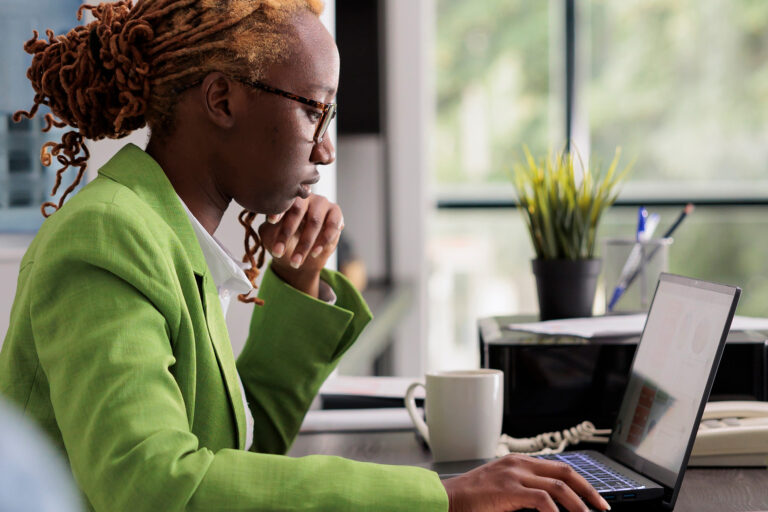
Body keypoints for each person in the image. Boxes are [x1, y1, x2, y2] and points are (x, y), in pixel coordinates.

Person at [0, 1, 610, 511]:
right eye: (314, 110)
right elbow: (154, 486)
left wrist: (297, 283)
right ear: (222, 100)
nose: (325, 150)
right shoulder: (108, 237)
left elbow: (235, 458)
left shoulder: (165, 234)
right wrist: (442, 496)